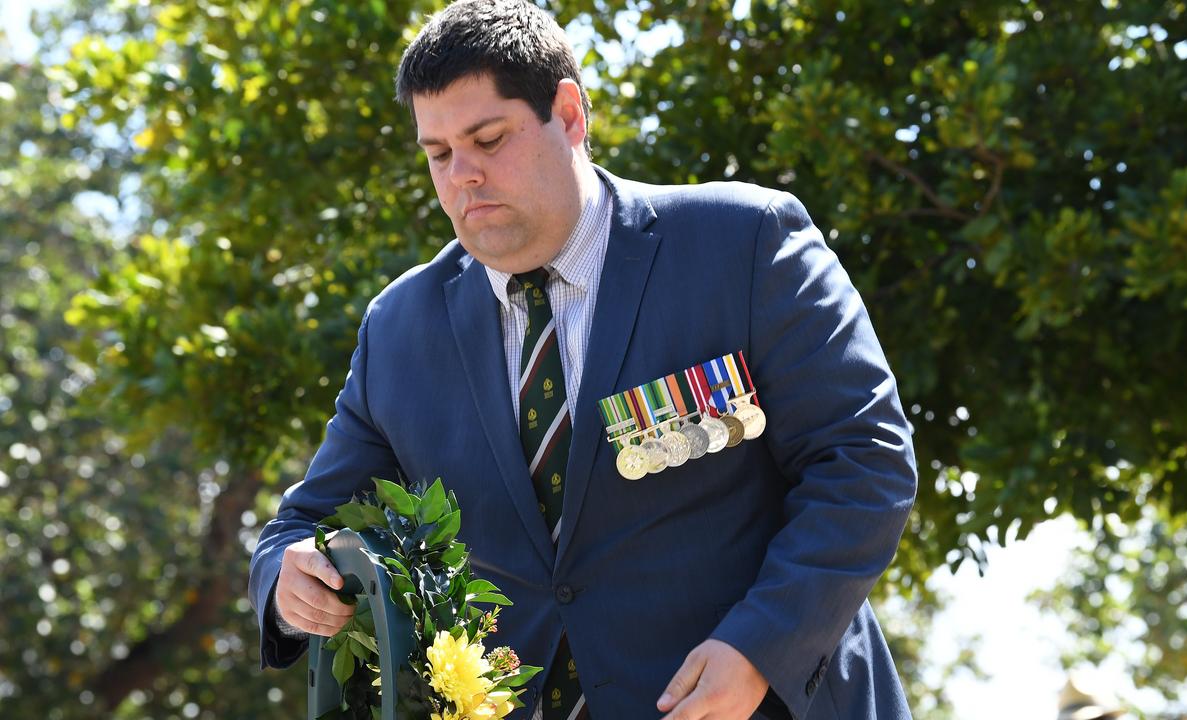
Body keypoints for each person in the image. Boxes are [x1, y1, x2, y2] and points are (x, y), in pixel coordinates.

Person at [248, 1, 918, 718]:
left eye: (488, 138)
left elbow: (863, 459)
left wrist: (760, 647)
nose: (462, 176)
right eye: (439, 153)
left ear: (568, 114)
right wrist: (287, 582)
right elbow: (303, 526)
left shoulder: (743, 244)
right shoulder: (400, 329)